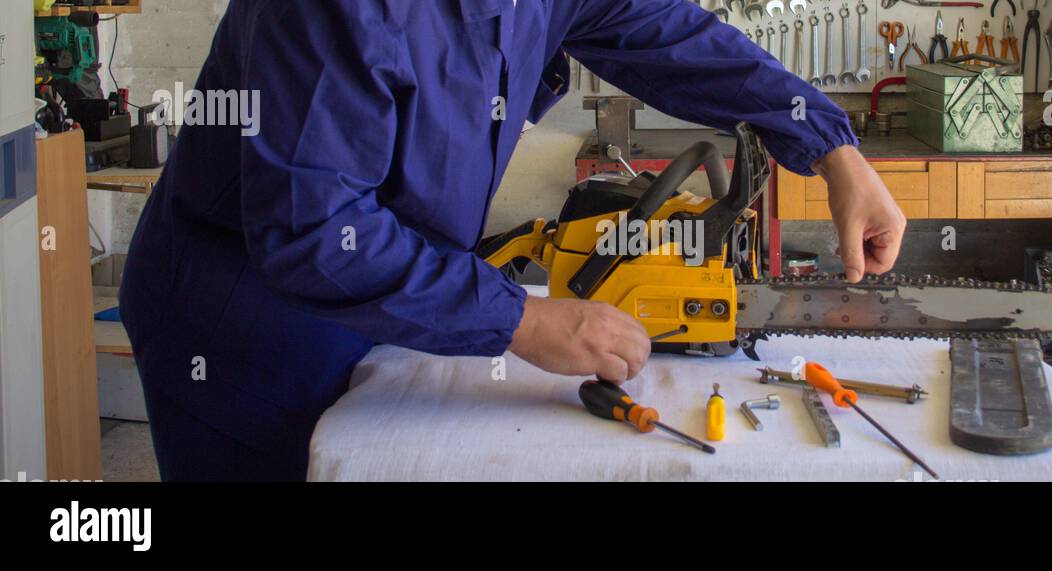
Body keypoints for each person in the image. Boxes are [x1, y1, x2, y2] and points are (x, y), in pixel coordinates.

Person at [120, 0, 907, 481]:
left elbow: (668, 34)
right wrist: (524, 322)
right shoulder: (339, 7)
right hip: (241, 330)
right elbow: (315, 231)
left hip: (389, 303)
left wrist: (829, 145)